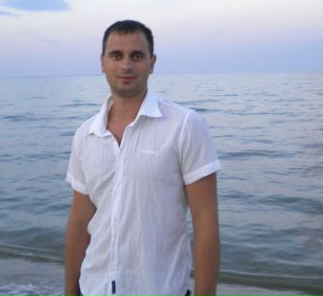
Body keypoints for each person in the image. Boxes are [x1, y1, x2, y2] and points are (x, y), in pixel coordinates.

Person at [65, 20, 221, 296]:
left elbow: (205, 220)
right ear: (102, 62)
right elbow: (79, 223)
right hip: (94, 288)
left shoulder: (184, 125)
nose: (126, 65)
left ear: (152, 63)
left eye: (136, 56)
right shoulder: (85, 135)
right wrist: (70, 291)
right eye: (116, 55)